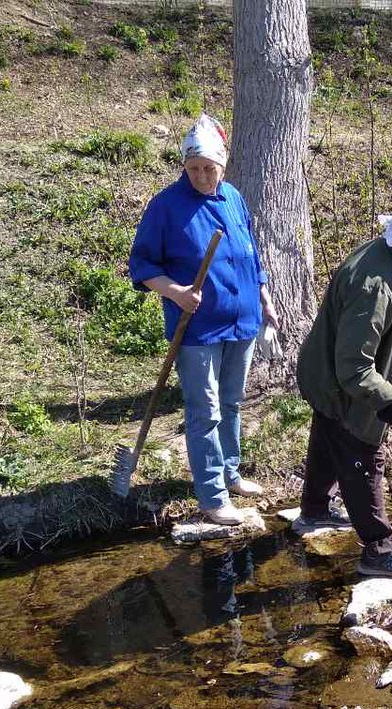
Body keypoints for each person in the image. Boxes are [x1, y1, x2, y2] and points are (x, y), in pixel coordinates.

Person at [129, 114, 278, 526]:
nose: (200, 176)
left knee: (231, 403)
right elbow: (141, 264)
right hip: (197, 329)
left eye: (208, 169)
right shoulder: (166, 207)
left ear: (223, 165)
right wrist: (176, 292)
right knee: (205, 410)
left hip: (242, 320)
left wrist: (264, 299)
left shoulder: (233, 197)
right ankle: (212, 496)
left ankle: (231, 473)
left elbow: (251, 255)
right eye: (193, 168)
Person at [295, 200, 392, 578]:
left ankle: (316, 508)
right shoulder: (374, 285)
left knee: (329, 437)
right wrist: (387, 399)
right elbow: (354, 366)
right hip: (340, 382)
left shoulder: (384, 254)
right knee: (363, 458)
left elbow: (379, 331)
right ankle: (379, 551)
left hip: (325, 376)